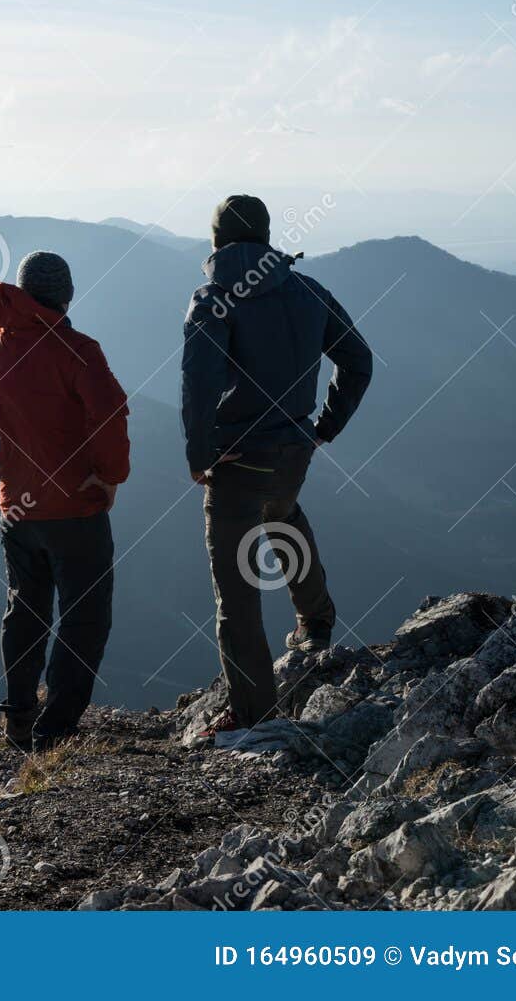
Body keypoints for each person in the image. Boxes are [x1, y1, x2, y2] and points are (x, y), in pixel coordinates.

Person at [181, 194, 373, 734]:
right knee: (282, 514)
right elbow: (359, 360)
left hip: (239, 456)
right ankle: (316, 622)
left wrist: (200, 455)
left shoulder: (213, 300)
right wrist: (324, 427)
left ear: (217, 240)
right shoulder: (308, 291)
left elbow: (199, 386)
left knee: (236, 591)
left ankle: (253, 714)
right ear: (266, 237)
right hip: (293, 447)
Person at [0, 251, 130, 752]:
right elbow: (111, 413)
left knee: (26, 609)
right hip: (76, 509)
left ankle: (19, 713)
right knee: (85, 616)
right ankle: (56, 728)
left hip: (17, 509)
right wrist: (110, 477)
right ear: (65, 298)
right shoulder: (76, 350)